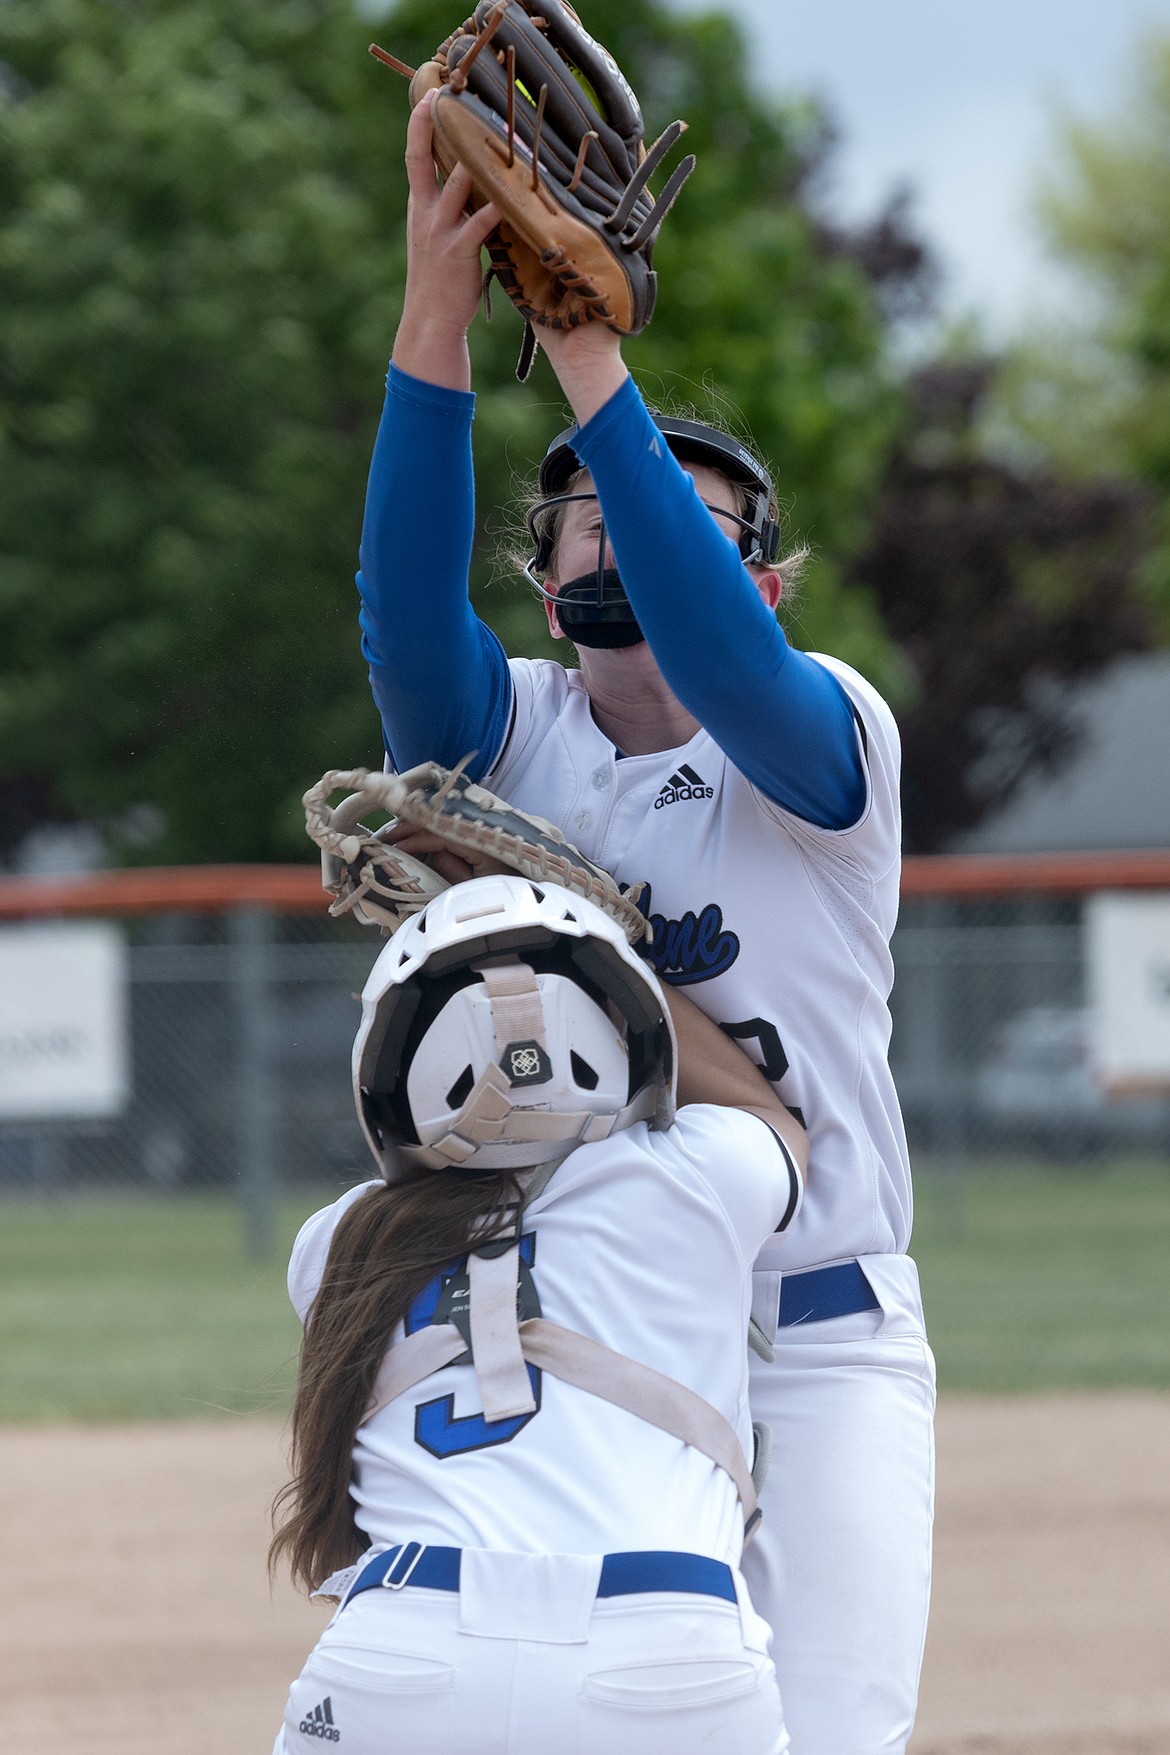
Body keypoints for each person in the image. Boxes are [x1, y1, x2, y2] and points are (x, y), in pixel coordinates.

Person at [353, 91, 937, 1755]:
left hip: (822, 1335)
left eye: (675, 520)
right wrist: (438, 309)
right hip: (593, 1329)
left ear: (763, 577)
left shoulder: (821, 728)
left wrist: (594, 358)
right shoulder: (512, 731)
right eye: (586, 517)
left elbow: (716, 647)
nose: (619, 529)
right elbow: (403, 618)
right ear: (543, 581)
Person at [270, 872, 807, 1755]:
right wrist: (617, 955)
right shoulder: (692, 1177)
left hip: (401, 1646)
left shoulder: (334, 1245)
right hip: (668, 1649)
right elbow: (770, 1115)